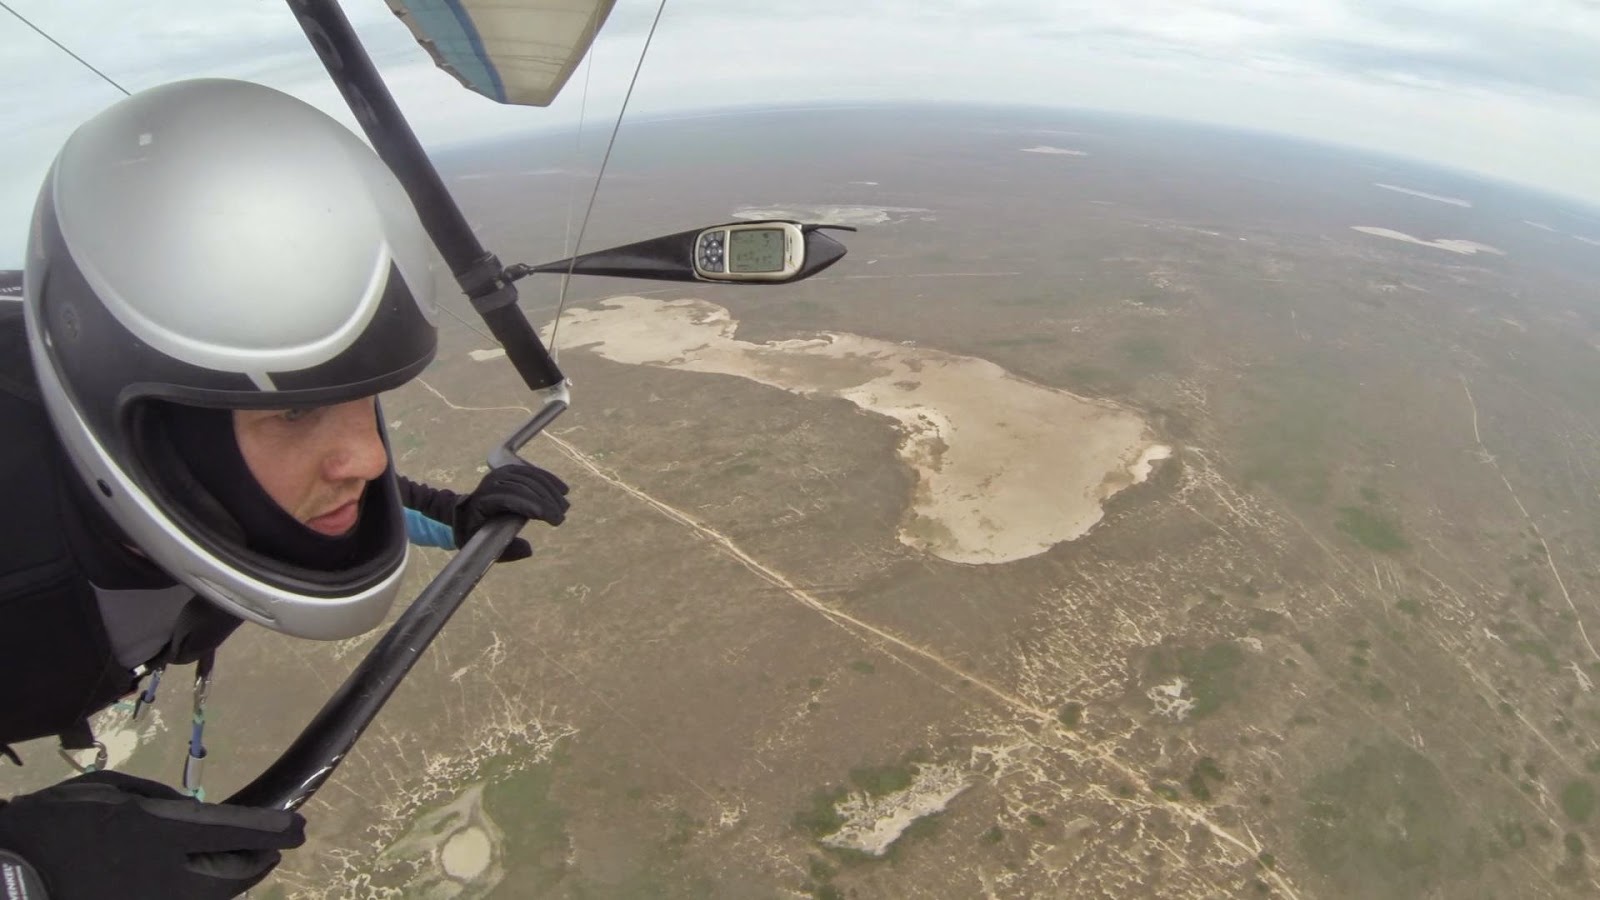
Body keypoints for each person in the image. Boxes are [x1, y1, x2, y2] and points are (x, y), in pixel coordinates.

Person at [0, 78, 570, 900]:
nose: (366, 459)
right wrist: (25, 871)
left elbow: (352, 488)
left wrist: (457, 517)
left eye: (366, 401)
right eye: (296, 411)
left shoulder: (200, 485)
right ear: (156, 430)